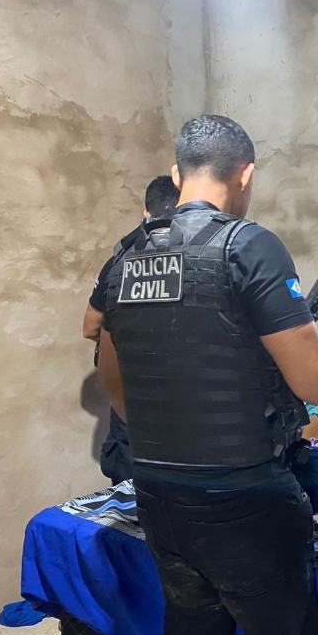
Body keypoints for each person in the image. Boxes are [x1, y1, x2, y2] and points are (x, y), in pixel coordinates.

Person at [96, 115, 318, 635]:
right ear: (245, 174)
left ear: (178, 175)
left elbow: (114, 381)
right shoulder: (249, 247)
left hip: (159, 495)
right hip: (246, 500)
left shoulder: (126, 255)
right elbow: (314, 385)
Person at [83, 175, 179, 485]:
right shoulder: (204, 254)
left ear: (145, 212)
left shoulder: (122, 259)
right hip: (188, 410)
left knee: (130, 500)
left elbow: (90, 327)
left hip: (131, 405)